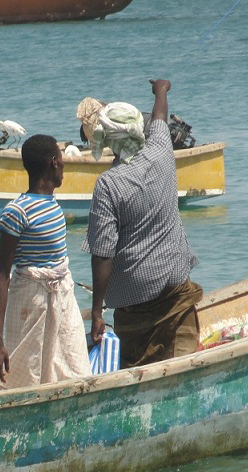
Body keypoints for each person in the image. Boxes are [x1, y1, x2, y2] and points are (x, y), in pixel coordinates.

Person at [85, 79, 204, 368]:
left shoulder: (108, 185)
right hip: (173, 290)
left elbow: (102, 253)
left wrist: (97, 311)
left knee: (134, 367)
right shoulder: (161, 150)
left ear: (107, 141)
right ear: (140, 128)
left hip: (131, 302)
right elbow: (161, 117)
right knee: (182, 364)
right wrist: (161, 90)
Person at [0, 134, 90, 389]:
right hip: (31, 302)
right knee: (27, 376)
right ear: (54, 162)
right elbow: (2, 274)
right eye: (62, 159)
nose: (65, 166)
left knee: (74, 369)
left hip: (62, 297)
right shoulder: (17, 211)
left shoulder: (53, 204)